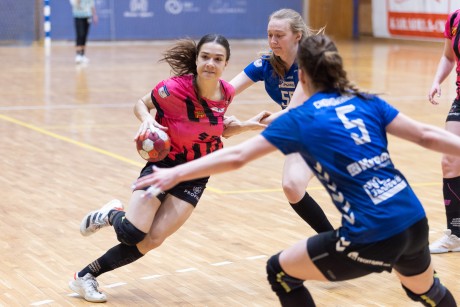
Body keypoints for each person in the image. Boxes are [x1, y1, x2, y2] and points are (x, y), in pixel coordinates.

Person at [133, 34, 458, 306]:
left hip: (372, 232)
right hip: (414, 219)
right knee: (426, 290)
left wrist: (174, 173)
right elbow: (428, 136)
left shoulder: (300, 119)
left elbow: (238, 157)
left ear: (302, 76)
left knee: (280, 271)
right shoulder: (366, 101)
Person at [68, 34, 261, 302]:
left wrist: (246, 126)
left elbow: (216, 131)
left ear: (226, 64)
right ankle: (111, 213)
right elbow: (140, 103)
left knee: (152, 240)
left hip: (196, 174)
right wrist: (147, 120)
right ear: (196, 59)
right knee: (131, 233)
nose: (210, 64)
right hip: (164, 164)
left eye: (218, 59)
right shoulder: (173, 88)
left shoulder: (226, 93)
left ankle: (85, 277)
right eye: (205, 57)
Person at [225, 8, 334, 234]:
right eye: (270, 35)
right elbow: (225, 91)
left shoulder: (313, 63)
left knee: (368, 198)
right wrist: (210, 110)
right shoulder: (266, 64)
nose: (273, 41)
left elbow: (293, 111)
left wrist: (242, 126)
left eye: (279, 35)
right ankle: (332, 240)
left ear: (298, 36)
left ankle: (407, 251)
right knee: (292, 187)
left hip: (335, 131)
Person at [427, 9, 460, 254]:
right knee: (450, 161)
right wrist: (437, 80)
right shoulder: (455, 18)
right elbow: (448, 57)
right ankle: (456, 233)